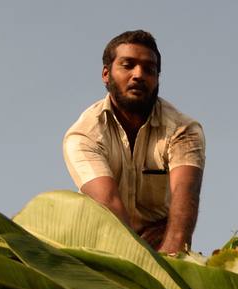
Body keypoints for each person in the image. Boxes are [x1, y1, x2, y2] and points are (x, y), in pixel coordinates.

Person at [63, 30, 205, 254]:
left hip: (161, 234)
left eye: (149, 69)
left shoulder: (184, 130)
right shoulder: (83, 135)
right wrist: (139, 265)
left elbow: (185, 195)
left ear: (157, 78)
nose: (139, 74)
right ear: (106, 74)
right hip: (103, 234)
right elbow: (108, 203)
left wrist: (170, 262)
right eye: (128, 65)